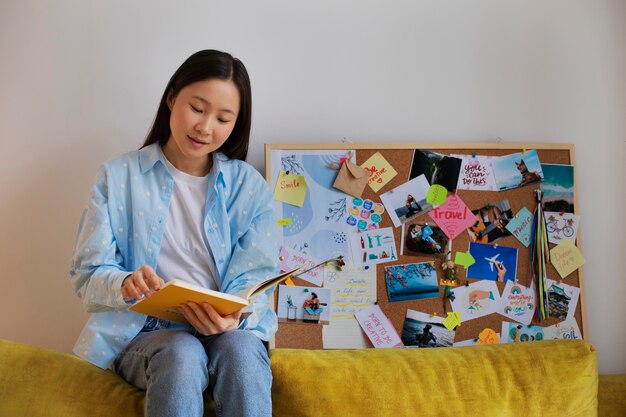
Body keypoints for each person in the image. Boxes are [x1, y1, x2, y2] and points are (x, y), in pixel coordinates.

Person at [69, 50, 279, 417]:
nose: (205, 127)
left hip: (225, 333)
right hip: (143, 333)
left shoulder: (250, 187)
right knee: (181, 352)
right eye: (197, 108)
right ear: (171, 98)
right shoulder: (118, 177)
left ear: (235, 124)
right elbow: (88, 274)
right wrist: (124, 284)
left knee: (243, 351)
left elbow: (257, 279)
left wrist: (236, 317)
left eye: (223, 118)